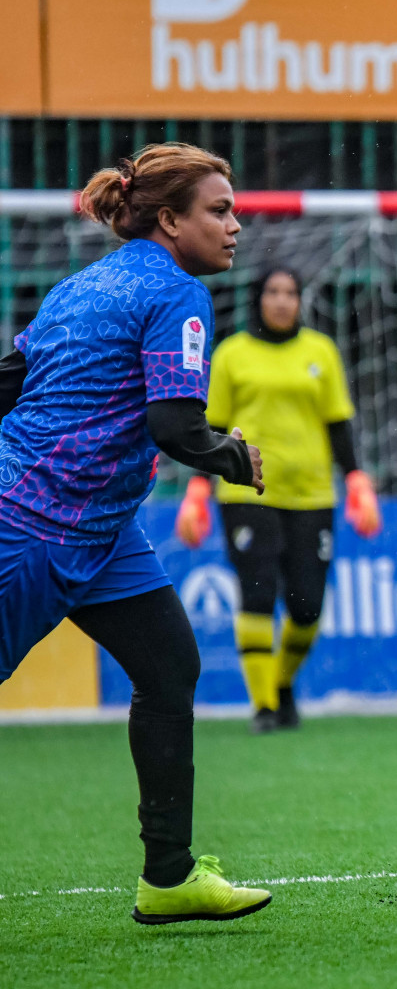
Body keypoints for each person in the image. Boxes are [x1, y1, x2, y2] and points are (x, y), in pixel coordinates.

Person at [0, 143, 273, 923]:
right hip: (34, 524)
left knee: (168, 668)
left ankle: (170, 875)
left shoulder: (78, 287)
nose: (236, 226)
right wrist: (233, 455)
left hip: (102, 530)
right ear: (168, 219)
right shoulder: (178, 294)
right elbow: (175, 426)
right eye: (219, 210)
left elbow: (9, 381)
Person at [175, 267, 381, 733]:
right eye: (273, 292)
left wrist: (357, 481)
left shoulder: (320, 351)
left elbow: (337, 423)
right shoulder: (232, 354)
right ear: (258, 299)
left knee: (307, 608)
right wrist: (196, 489)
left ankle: (282, 683)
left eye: (291, 292)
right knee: (258, 593)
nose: (283, 300)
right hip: (246, 491)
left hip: (312, 494)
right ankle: (264, 707)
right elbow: (212, 427)